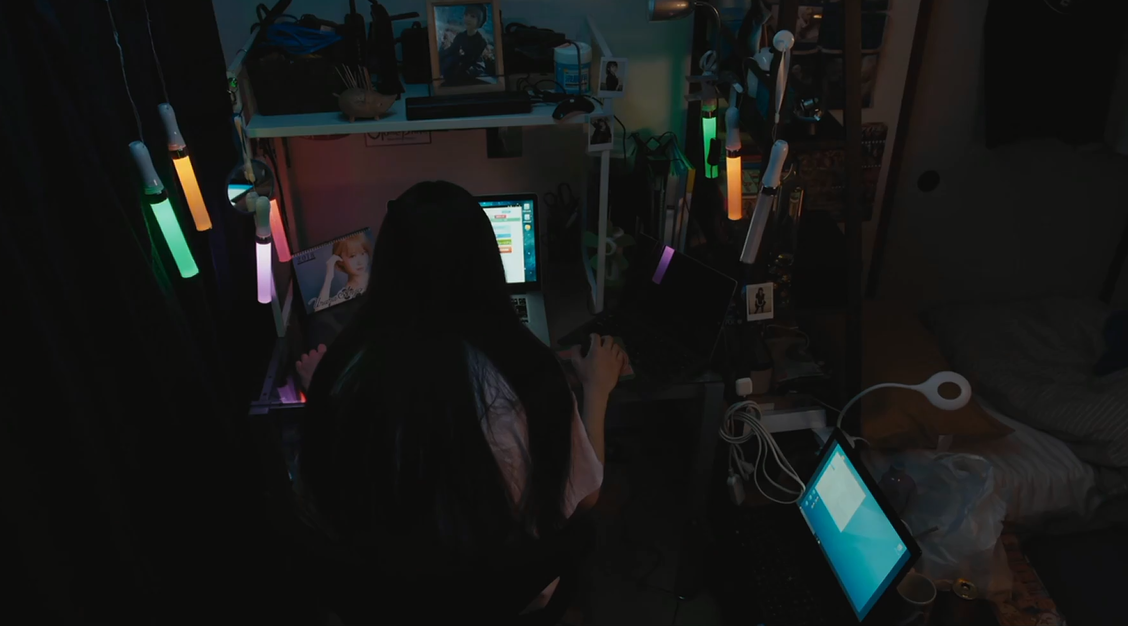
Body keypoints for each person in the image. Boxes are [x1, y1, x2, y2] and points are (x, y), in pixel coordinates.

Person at [293, 181, 627, 616]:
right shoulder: (534, 377)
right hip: (511, 601)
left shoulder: (341, 377)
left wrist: (333, 386)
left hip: (388, 607)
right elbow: (586, 499)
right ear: (488, 266)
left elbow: (317, 509)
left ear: (386, 268)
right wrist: (597, 390)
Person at [312, 233, 371, 312]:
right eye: (352, 256)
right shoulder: (345, 294)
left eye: (363, 253)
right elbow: (319, 309)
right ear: (340, 260)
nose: (360, 262)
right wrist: (329, 277)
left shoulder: (377, 275)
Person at [438, 4, 491, 85]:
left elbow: (472, 59)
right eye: (466, 15)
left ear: (479, 21)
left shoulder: (481, 41)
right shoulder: (460, 36)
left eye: (472, 16)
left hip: (475, 66)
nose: (468, 19)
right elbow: (452, 50)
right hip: (461, 63)